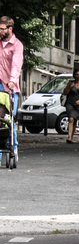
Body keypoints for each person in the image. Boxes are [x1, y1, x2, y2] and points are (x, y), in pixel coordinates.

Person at [0, 16, 24, 157]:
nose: (0, 31)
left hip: (8, 87)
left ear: (10, 29)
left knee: (7, 119)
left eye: (2, 29)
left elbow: (16, 65)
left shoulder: (16, 45)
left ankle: (13, 148)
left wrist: (12, 80)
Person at [61, 68, 79, 143]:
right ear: (74, 75)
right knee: (71, 119)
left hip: (78, 104)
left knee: (75, 120)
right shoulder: (71, 83)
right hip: (70, 103)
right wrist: (69, 87)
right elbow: (65, 92)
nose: (78, 76)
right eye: (77, 75)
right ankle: (69, 137)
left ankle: (71, 137)